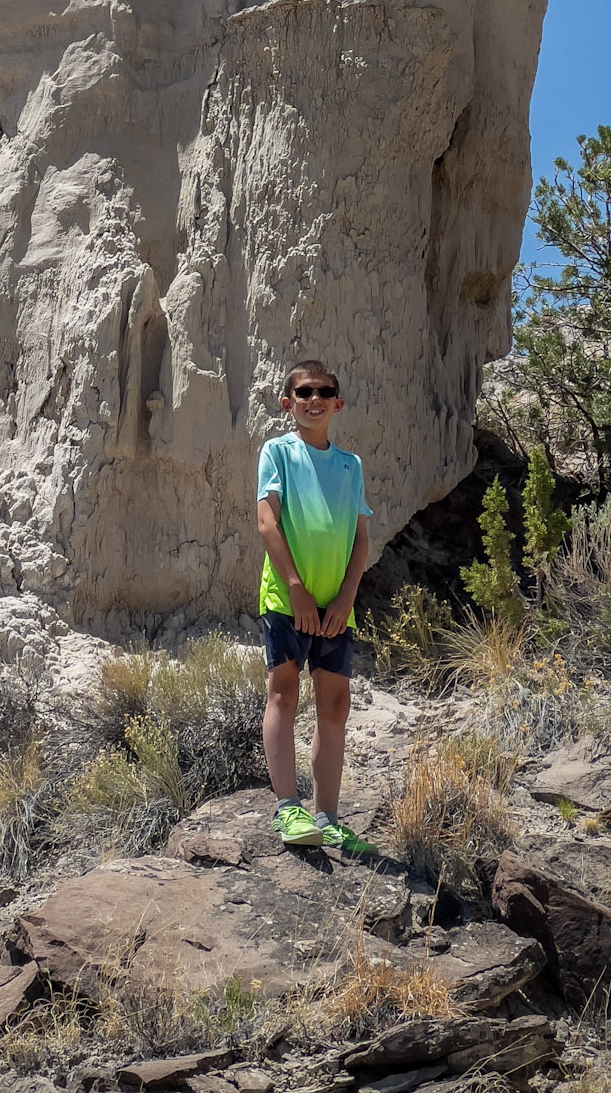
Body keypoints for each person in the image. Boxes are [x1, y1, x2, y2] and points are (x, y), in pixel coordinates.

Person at [256, 359, 376, 854]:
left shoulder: (351, 465)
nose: (314, 400)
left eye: (324, 392)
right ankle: (288, 809)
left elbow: (362, 539)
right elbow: (267, 522)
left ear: (337, 403)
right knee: (284, 694)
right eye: (304, 392)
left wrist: (347, 597)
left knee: (336, 704)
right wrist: (296, 588)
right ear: (288, 403)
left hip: (336, 606)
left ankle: (327, 817)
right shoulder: (278, 452)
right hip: (288, 600)